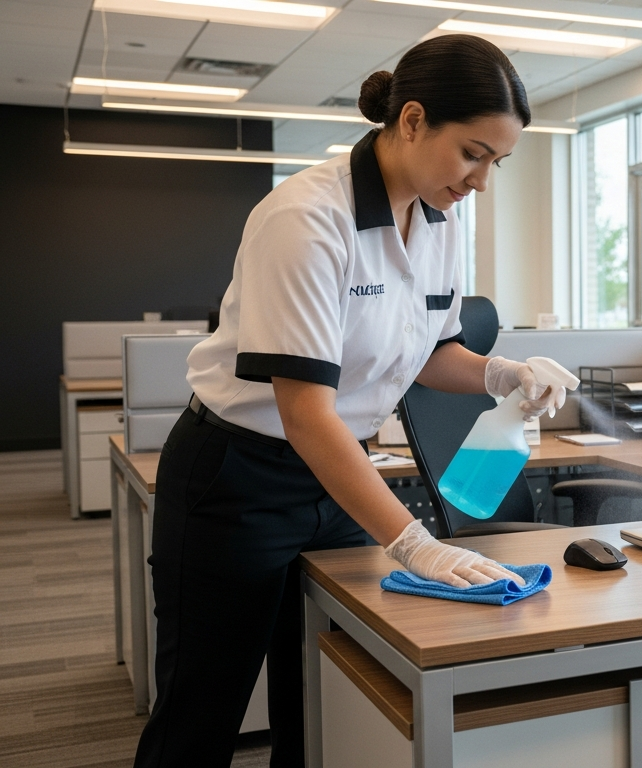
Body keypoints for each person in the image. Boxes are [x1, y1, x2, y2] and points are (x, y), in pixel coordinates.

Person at [133, 35, 559, 768]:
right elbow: (304, 413)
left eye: (498, 162)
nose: (483, 181)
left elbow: (428, 353)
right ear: (414, 121)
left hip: (337, 478)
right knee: (204, 711)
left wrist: (503, 374)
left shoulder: (440, 220)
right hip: (236, 478)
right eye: (474, 153)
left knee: (327, 692)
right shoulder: (306, 218)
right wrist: (413, 542)